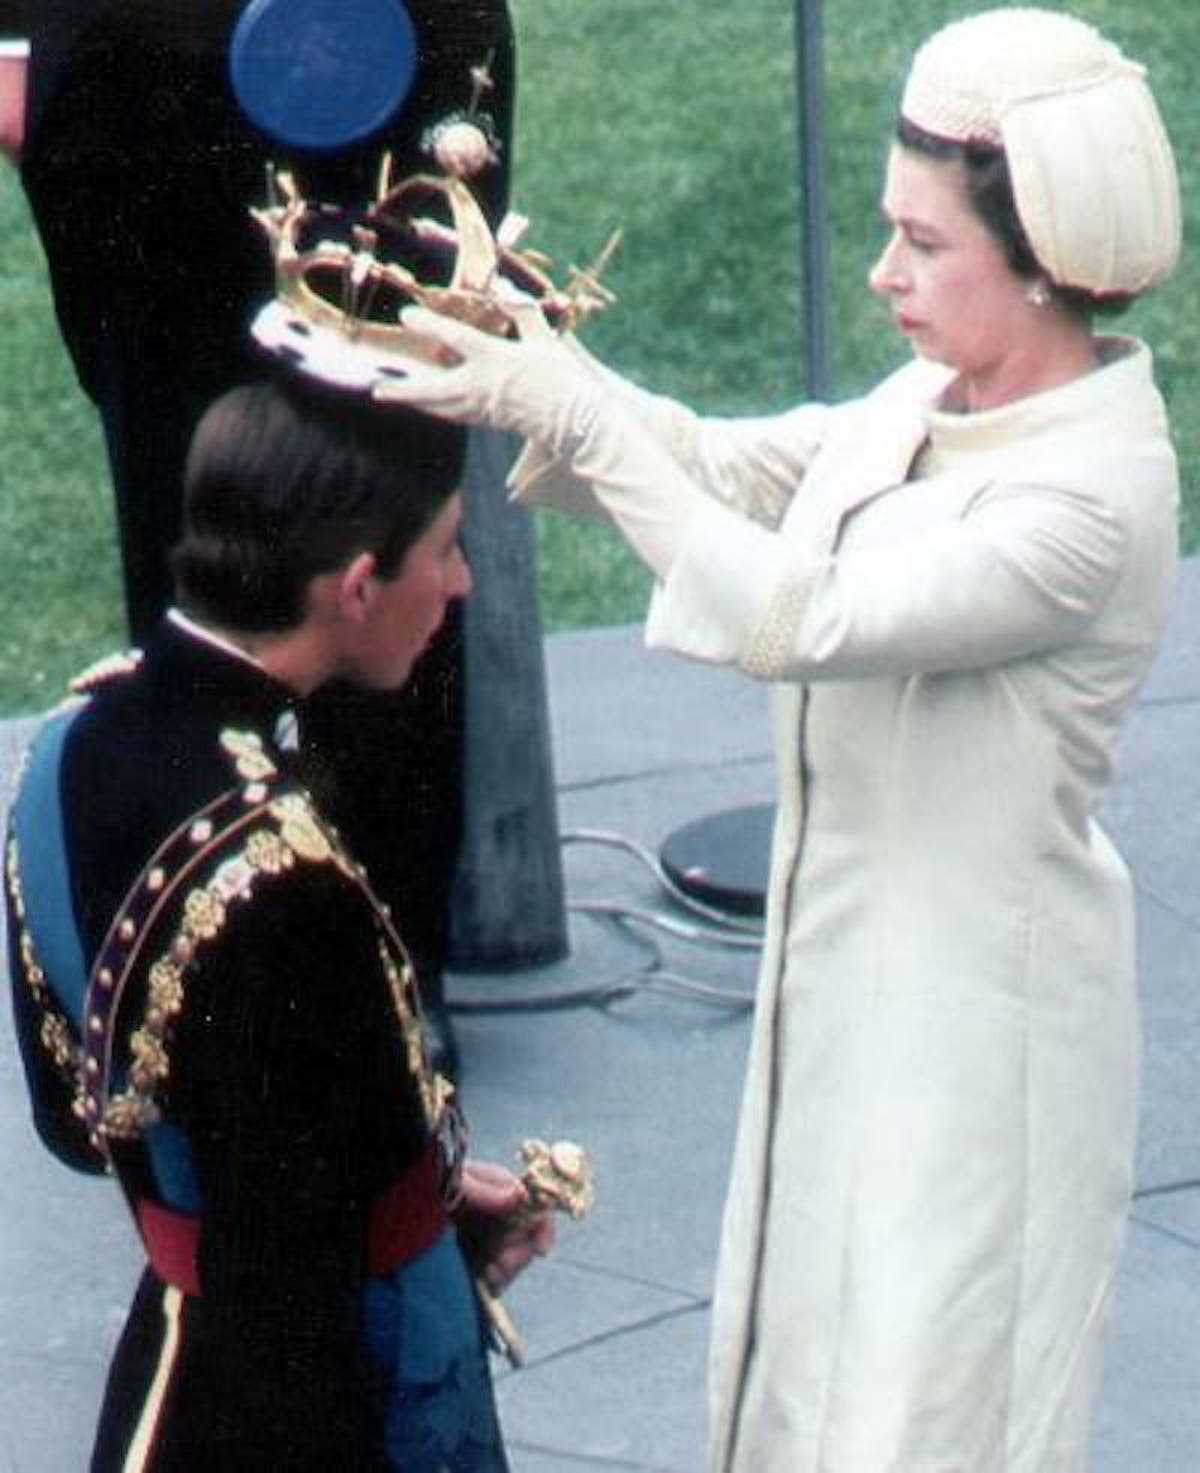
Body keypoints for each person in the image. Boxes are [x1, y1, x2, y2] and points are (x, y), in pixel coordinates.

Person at [368, 7, 1183, 1467]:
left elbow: (797, 615)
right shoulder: (925, 403)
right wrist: (535, 375)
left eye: (922, 244)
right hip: (849, 981)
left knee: (927, 1417)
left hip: (983, 1031)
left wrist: (582, 418)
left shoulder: (1094, 493)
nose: (884, 274)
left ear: (1042, 259)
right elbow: (721, 467)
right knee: (797, 1379)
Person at [5, 374, 552, 1471]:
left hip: (175, 1370)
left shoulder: (64, 743)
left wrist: (421, 1192)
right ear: (356, 587)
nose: (460, 582)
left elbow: (80, 1125)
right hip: (332, 1405)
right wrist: (401, 1230)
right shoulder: (288, 885)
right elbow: (296, 1291)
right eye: (446, 548)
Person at [6, 0, 519, 1077]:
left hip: (396, 52)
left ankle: (393, 961)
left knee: (393, 490)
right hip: (139, 70)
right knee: (189, 499)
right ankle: (203, 952)